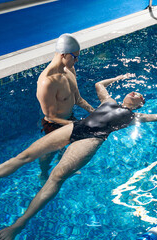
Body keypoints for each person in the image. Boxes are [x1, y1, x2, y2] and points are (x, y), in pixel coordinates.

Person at [0, 76, 157, 240]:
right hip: (76, 127)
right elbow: (99, 84)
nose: (136, 92)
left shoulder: (134, 117)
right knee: (24, 155)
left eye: (140, 95)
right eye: (134, 91)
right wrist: (117, 78)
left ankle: (18, 225)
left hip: (92, 139)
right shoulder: (108, 101)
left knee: (57, 178)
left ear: (140, 105)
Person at [36, 33, 95, 181]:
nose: (77, 60)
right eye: (74, 57)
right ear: (63, 55)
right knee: (49, 153)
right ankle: (43, 174)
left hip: (69, 117)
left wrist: (93, 111)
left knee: (76, 144)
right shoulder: (47, 82)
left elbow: (77, 99)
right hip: (54, 123)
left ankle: (63, 167)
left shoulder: (69, 70)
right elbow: (50, 116)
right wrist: (75, 124)